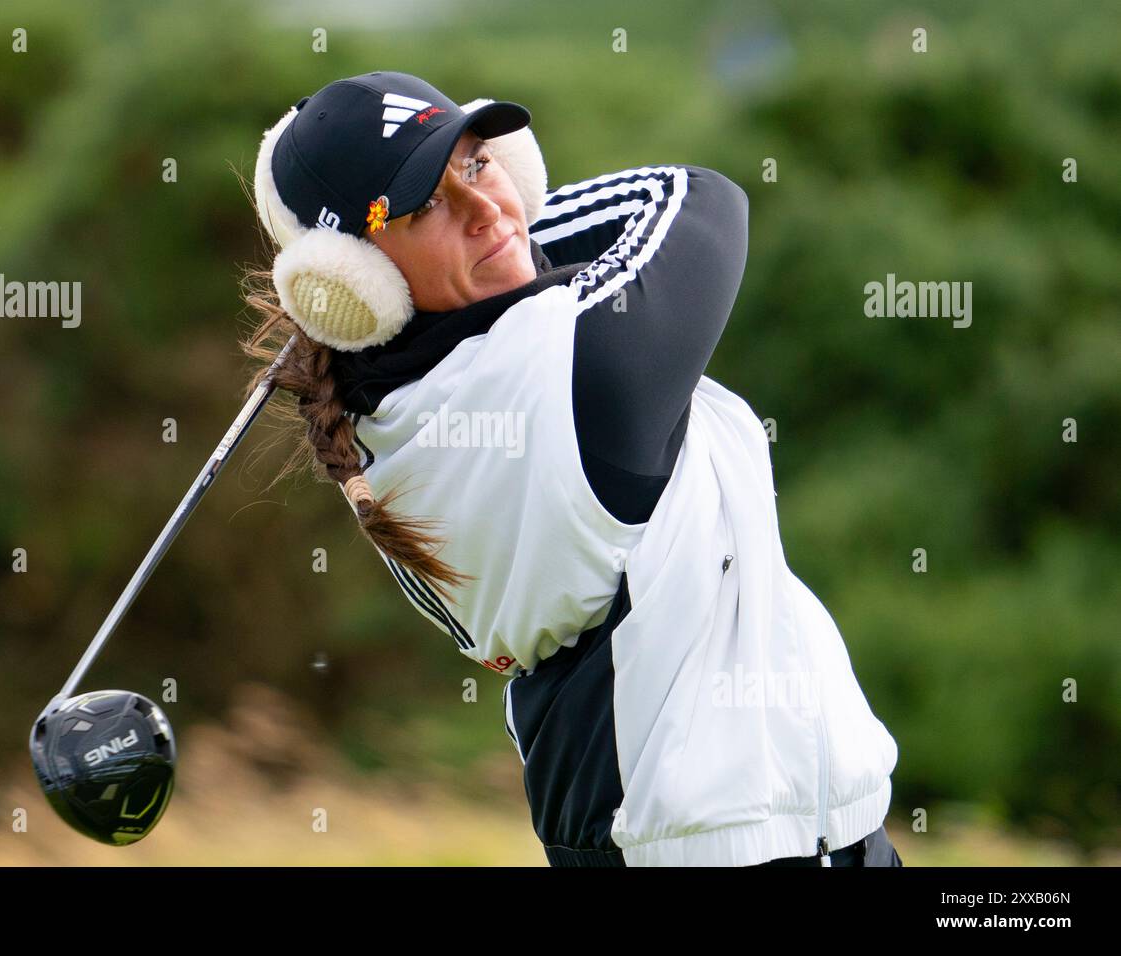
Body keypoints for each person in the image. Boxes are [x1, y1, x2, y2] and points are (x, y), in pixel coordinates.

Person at [242, 70, 903, 867]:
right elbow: (697, 199)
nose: (487, 209)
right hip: (717, 850)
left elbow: (515, 261)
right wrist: (508, 226)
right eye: (426, 207)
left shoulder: (390, 413)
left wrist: (474, 233)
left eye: (478, 164)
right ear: (358, 283)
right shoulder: (568, 370)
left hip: (759, 833)